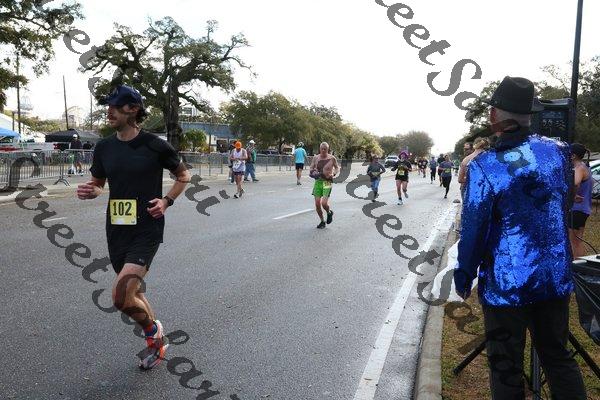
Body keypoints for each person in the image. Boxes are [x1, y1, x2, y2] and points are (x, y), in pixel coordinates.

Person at [454, 76, 586, 400]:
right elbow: (564, 202)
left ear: (493, 116)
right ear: (530, 115)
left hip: (507, 285)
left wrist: (464, 274)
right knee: (558, 356)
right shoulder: (558, 152)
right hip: (553, 278)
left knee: (506, 366)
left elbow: (474, 229)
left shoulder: (485, 166)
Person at [76, 85, 190, 370]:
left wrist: (166, 201)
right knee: (134, 294)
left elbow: (183, 175)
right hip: (117, 228)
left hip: (147, 228)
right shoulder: (104, 147)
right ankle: (157, 343)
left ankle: (154, 331)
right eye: (108, 106)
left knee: (120, 296)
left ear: (134, 109)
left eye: (116, 106)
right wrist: (92, 191)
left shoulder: (154, 145)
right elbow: (99, 184)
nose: (109, 111)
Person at [569, 143, 593, 259]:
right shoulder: (584, 167)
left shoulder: (579, 168)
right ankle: (579, 265)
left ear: (573, 156)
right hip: (583, 209)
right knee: (577, 241)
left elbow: (576, 183)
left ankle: (576, 266)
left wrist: (572, 196)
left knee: (573, 241)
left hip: (577, 210)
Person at [309, 142, 340, 229]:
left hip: (327, 182)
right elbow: (311, 167)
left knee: (324, 203)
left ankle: (329, 212)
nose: (323, 150)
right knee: (317, 204)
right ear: (319, 149)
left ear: (327, 149)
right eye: (322, 149)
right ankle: (322, 221)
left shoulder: (332, 158)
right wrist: (313, 172)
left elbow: (337, 167)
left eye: (325, 149)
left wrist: (333, 174)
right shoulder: (316, 158)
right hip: (318, 182)